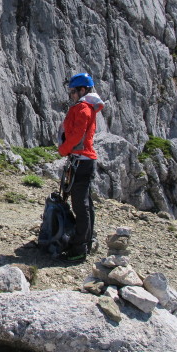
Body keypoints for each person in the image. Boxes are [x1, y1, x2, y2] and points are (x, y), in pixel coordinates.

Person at [57, 72, 105, 261]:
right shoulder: (84, 107)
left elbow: (77, 135)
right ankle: (86, 239)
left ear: (82, 90)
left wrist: (64, 149)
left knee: (80, 203)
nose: (71, 95)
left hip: (81, 160)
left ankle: (79, 248)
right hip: (82, 160)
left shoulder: (83, 109)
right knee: (84, 202)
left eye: (73, 91)